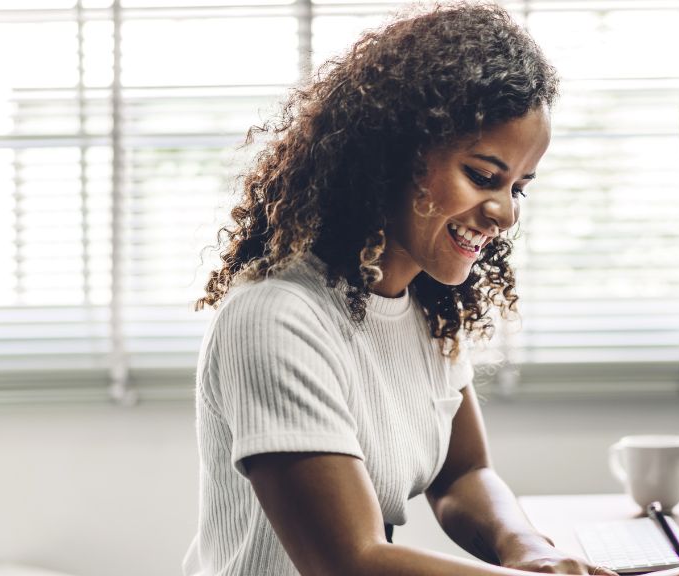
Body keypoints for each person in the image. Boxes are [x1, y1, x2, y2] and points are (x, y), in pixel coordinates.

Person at [184, 3, 619, 575]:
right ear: (391, 158)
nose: (505, 212)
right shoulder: (277, 317)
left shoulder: (425, 306)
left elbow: (462, 475)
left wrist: (531, 550)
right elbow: (350, 562)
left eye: (519, 187)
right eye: (484, 177)